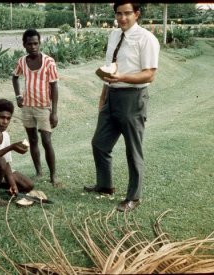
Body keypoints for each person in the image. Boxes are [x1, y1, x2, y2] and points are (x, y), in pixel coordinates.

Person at [84, 1, 160, 212]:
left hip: (133, 98)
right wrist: (104, 95)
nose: (122, 18)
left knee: (133, 150)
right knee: (99, 143)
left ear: (137, 14)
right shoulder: (114, 35)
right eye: (118, 14)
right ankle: (105, 185)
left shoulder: (147, 39)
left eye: (127, 13)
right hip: (112, 95)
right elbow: (110, 69)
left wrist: (123, 78)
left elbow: (150, 74)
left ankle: (133, 197)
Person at [12, 28, 60, 187]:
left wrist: (54, 112)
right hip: (27, 108)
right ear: (24, 45)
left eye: (36, 43)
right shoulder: (22, 61)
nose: (33, 46)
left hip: (44, 107)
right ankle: (39, 171)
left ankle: (53, 176)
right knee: (32, 140)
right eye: (29, 44)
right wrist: (19, 96)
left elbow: (54, 87)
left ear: (39, 43)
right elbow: (15, 77)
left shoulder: (49, 62)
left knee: (46, 141)